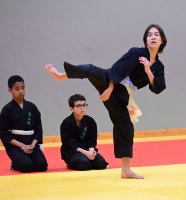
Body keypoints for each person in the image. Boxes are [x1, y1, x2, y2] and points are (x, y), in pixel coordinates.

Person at [45, 24, 167, 179]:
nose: (153, 37)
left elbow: (158, 88)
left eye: (156, 35)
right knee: (90, 69)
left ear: (162, 40)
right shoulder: (137, 53)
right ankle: (61, 75)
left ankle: (125, 170)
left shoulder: (159, 67)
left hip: (122, 95)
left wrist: (148, 70)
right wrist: (109, 88)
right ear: (146, 39)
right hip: (110, 81)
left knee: (126, 127)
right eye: (150, 35)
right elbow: (118, 69)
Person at [0, 75, 48, 172]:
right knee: (27, 166)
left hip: (31, 144)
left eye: (23, 88)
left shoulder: (32, 107)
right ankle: (15, 162)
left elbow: (38, 129)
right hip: (15, 145)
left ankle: (23, 157)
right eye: (17, 89)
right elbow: (4, 133)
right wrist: (22, 146)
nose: (21, 91)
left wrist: (32, 145)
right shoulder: (7, 109)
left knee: (42, 166)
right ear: (10, 90)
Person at [60, 94, 108, 171]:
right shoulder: (66, 123)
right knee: (84, 164)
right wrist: (85, 153)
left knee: (101, 164)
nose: (82, 108)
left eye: (84, 105)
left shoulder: (90, 121)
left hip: (87, 148)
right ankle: (71, 162)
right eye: (78, 106)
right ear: (72, 109)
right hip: (73, 151)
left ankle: (87, 159)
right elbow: (68, 142)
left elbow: (92, 139)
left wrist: (91, 151)